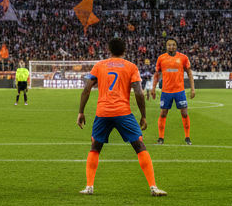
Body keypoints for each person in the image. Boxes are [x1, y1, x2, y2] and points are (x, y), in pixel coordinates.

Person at [77, 37, 166, 197]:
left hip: (103, 112)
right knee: (139, 146)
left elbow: (87, 89)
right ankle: (153, 187)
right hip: (123, 112)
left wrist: (81, 112)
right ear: (124, 50)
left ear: (109, 50)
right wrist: (143, 116)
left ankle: (89, 186)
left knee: (95, 147)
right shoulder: (131, 67)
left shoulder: (99, 65)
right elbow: (139, 93)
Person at [152, 38, 195, 145]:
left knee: (184, 112)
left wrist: (193, 89)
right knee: (163, 113)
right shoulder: (161, 58)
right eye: (169, 45)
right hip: (166, 91)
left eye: (173, 44)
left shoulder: (183, 58)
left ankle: (187, 137)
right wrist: (153, 88)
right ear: (166, 46)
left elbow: (189, 72)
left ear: (176, 46)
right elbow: (157, 74)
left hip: (179, 91)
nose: (171, 46)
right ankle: (161, 138)